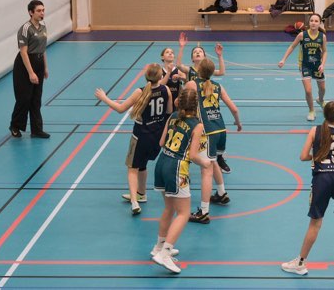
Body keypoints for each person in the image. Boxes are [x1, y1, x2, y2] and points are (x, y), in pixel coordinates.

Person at [281, 101, 334, 276]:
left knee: (315, 223)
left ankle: (300, 263)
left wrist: (317, 156)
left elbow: (303, 156)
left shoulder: (315, 131)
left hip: (322, 179)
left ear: (325, 114)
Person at [95, 63, 172, 215]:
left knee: (132, 168)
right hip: (157, 136)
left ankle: (134, 202)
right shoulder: (166, 89)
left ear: (146, 76)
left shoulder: (140, 92)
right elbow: (169, 112)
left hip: (141, 136)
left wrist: (104, 98)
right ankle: (141, 194)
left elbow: (120, 109)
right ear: (161, 76)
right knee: (142, 165)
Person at [150, 88, 209, 274]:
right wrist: (205, 162)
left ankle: (158, 247)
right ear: (196, 105)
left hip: (162, 163)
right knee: (183, 213)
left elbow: (161, 143)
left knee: (169, 208)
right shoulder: (197, 125)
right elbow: (193, 155)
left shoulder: (173, 117)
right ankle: (165, 253)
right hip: (176, 168)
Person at [186, 58, 242, 225]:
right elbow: (234, 108)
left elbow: (180, 103)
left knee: (206, 171)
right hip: (221, 129)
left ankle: (203, 212)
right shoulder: (218, 86)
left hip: (207, 131)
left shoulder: (192, 84)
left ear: (198, 70)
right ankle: (221, 193)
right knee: (213, 161)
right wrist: (238, 123)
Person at [175, 32, 229, 172]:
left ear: (205, 57)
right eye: (195, 52)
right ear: (192, 58)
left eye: (200, 51)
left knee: (208, 136)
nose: (197, 53)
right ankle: (186, 157)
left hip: (205, 108)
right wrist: (181, 47)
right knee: (189, 134)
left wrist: (219, 56)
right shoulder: (189, 70)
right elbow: (178, 64)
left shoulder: (208, 70)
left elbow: (222, 72)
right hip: (191, 108)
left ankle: (218, 158)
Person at [9, 0, 50, 139]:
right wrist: (31, 72)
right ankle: (15, 126)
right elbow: (23, 52)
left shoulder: (43, 26)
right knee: (24, 98)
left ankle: (37, 130)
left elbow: (43, 48)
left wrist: (45, 67)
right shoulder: (25, 29)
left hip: (39, 63)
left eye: (43, 10)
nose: (42, 13)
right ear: (31, 12)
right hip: (25, 65)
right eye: (39, 11)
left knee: (36, 99)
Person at [278, 13, 328, 121]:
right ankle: (311, 110)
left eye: (316, 21)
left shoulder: (322, 37)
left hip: (317, 65)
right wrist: (283, 59)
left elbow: (325, 52)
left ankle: (320, 100)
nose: (313, 23)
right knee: (308, 91)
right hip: (304, 65)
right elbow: (292, 46)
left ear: (319, 23)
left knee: (322, 89)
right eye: (311, 21)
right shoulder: (302, 35)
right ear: (308, 22)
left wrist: (322, 64)